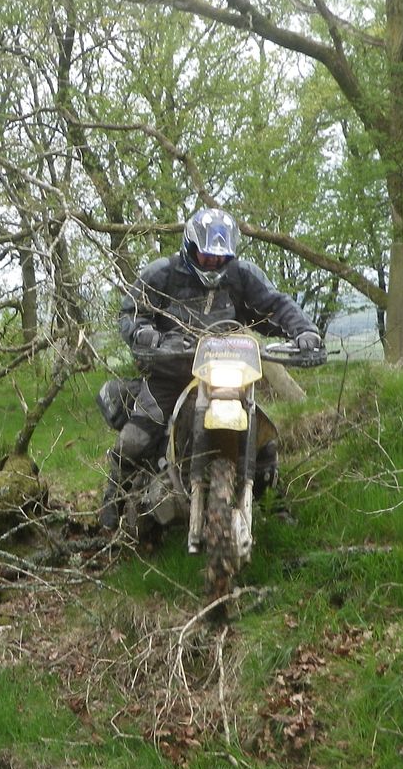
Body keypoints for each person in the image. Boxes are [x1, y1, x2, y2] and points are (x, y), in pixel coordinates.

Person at [101, 207, 323, 530]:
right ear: (190, 248)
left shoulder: (240, 276)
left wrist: (304, 331)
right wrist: (144, 333)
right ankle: (114, 494)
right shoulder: (162, 274)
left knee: (264, 437)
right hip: (172, 372)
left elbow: (275, 304)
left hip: (227, 368)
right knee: (135, 438)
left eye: (219, 258)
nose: (212, 263)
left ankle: (273, 504)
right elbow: (132, 312)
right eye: (205, 256)